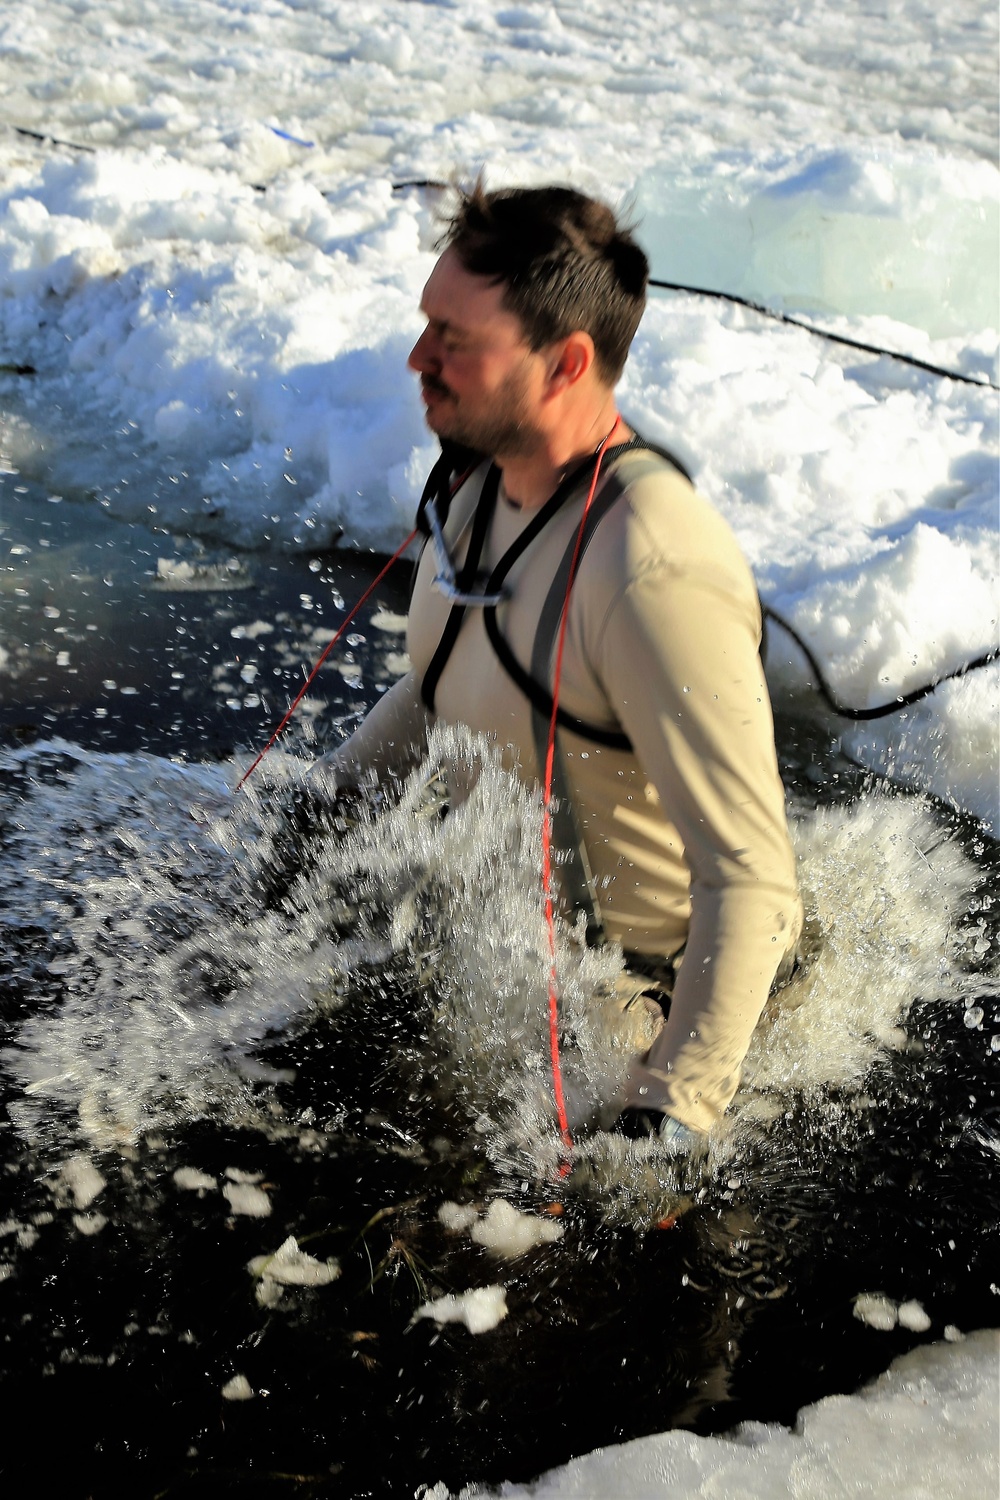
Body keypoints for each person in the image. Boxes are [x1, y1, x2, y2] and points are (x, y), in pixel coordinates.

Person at [315, 181, 803, 1146]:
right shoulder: (479, 480)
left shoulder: (650, 571)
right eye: (425, 326)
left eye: (455, 340)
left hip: (629, 1017)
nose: (419, 358)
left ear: (565, 363)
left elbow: (752, 881)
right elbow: (447, 685)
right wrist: (318, 812)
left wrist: (668, 1113)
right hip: (496, 948)